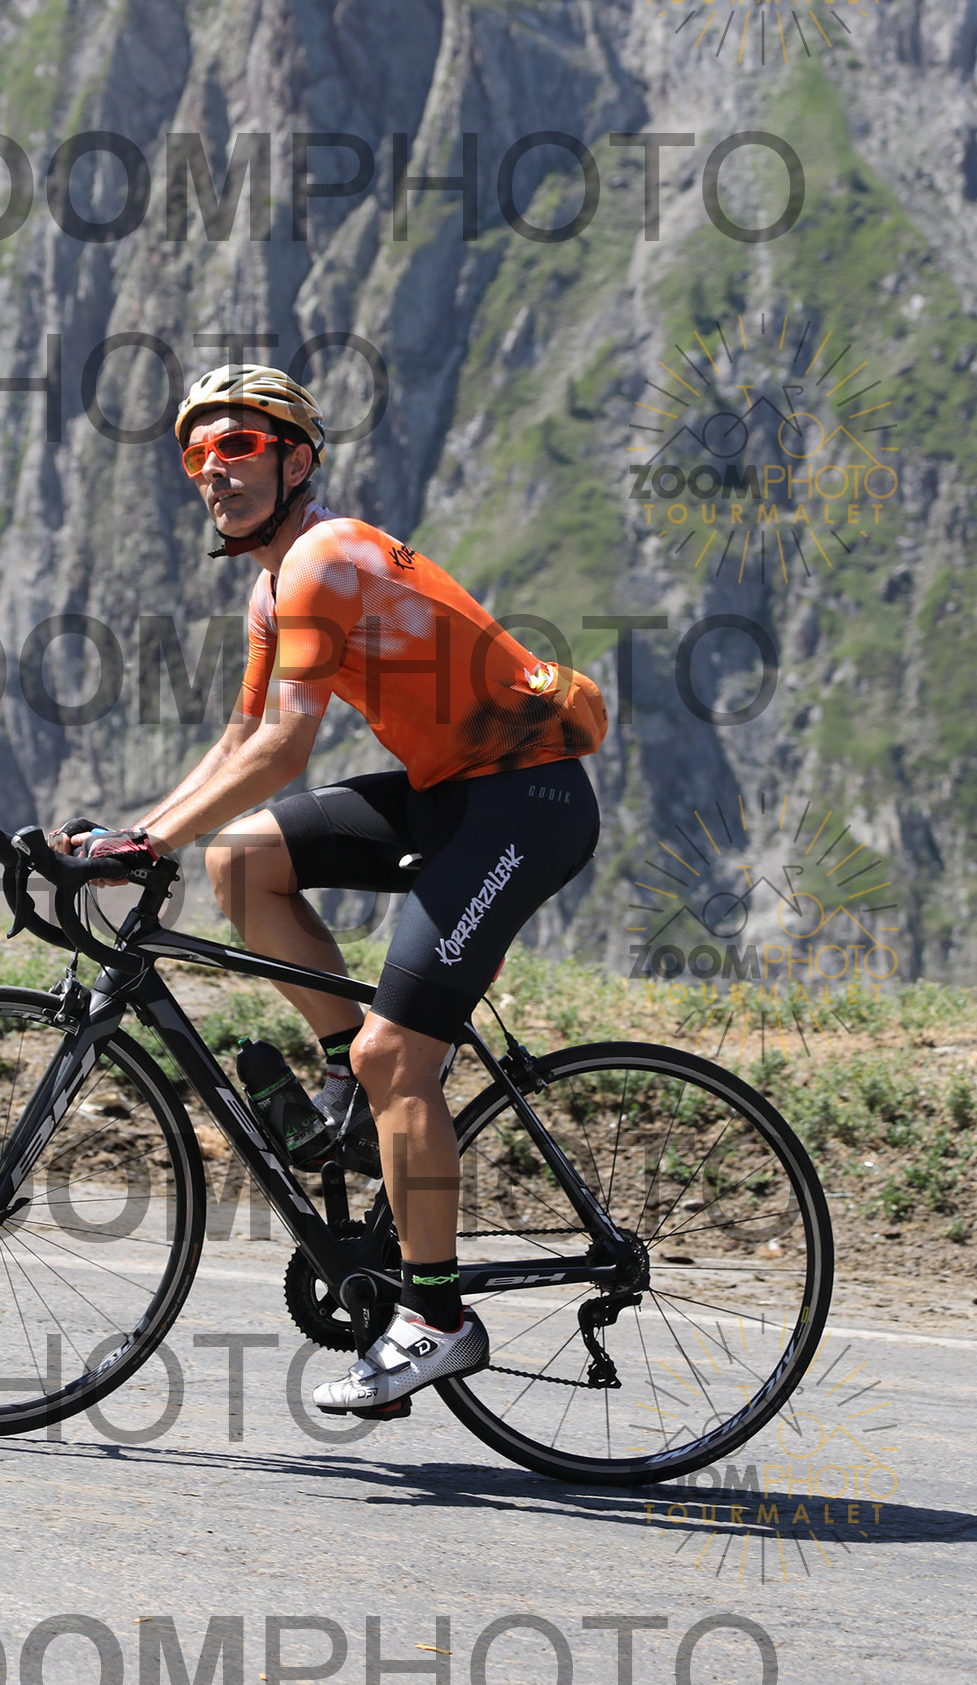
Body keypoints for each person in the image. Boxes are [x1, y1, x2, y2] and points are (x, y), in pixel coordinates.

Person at [53, 364, 608, 1415]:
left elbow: (287, 748)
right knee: (239, 862)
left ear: (296, 460)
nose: (212, 470)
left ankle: (437, 1318)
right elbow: (241, 738)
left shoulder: (322, 562)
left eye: (238, 447)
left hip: (525, 802)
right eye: (197, 454)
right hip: (450, 793)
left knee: (402, 1056)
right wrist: (142, 835)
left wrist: (144, 842)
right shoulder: (272, 588)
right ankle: (347, 1092)